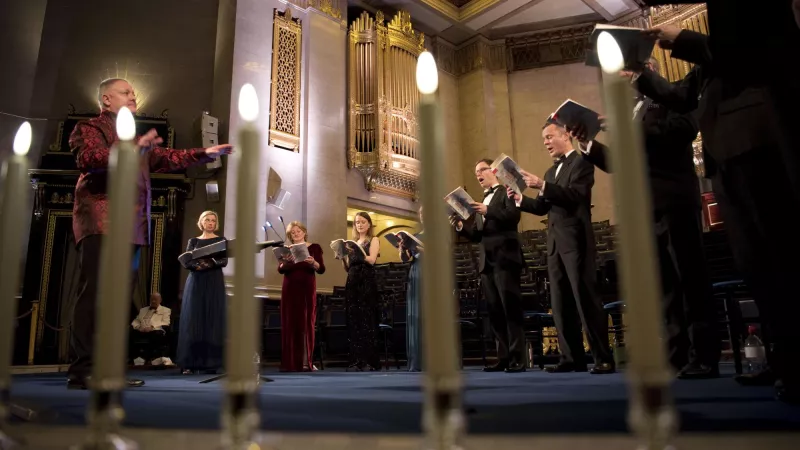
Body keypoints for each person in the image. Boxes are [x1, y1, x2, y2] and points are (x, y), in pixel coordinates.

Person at [635, 22, 800, 403]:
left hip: (755, 149)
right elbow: (680, 95)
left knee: (780, 260)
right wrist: (639, 74)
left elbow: (744, 59)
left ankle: (794, 361)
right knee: (755, 265)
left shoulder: (737, 45)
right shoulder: (702, 70)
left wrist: (680, 38)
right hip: (723, 161)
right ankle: (782, 358)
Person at [67, 78, 232, 390]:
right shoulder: (89, 127)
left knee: (120, 302)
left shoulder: (139, 140)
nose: (134, 96)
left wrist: (203, 153)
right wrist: (131, 148)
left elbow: (168, 158)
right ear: (106, 99)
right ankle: (84, 370)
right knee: (95, 295)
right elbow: (88, 159)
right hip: (101, 221)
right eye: (126, 92)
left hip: (133, 227)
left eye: (133, 93)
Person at [568, 57, 720, 379]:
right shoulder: (633, 108)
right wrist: (587, 143)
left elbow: (682, 129)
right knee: (663, 284)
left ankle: (704, 354)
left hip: (674, 197)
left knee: (689, 278)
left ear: (648, 68)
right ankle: (676, 354)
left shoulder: (674, 95)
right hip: (643, 206)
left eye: (630, 70)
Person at [507, 122, 613, 374]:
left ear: (566, 136)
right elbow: (543, 207)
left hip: (576, 239)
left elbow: (576, 196)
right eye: (543, 138)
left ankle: (603, 358)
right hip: (555, 243)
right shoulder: (550, 172)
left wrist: (542, 185)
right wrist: (521, 199)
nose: (545, 142)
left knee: (585, 299)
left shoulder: (582, 162)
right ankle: (571, 358)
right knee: (561, 302)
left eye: (549, 136)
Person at [450, 159, 525, 373]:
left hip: (506, 258)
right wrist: (460, 226)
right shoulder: (482, 201)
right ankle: (503, 357)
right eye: (475, 173)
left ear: (493, 170)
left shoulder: (507, 190)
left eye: (481, 170)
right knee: (495, 312)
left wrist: (487, 210)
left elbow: (513, 217)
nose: (478, 175)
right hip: (487, 262)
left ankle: (518, 359)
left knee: (511, 310)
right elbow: (476, 236)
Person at [177, 211, 228, 375]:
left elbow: (223, 260)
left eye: (214, 220)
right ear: (201, 222)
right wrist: (198, 266)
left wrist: (204, 264)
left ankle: (211, 363)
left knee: (212, 318)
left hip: (214, 281)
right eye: (207, 220)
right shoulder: (193, 241)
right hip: (196, 281)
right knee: (193, 319)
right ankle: (189, 363)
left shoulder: (221, 240)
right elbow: (187, 260)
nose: (211, 223)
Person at [277, 221, 325, 372]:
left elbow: (321, 269)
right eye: (293, 233)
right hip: (289, 289)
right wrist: (285, 262)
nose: (296, 234)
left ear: (304, 232)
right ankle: (291, 362)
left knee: (305, 323)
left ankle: (306, 361)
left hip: (306, 289)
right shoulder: (287, 249)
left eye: (298, 231)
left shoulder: (314, 247)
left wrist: (313, 262)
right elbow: (280, 270)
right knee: (290, 324)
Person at [342, 212, 381, 371]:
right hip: (352, 281)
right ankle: (356, 360)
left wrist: (358, 253)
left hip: (366, 281)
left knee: (367, 319)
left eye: (363, 222)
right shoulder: (352, 243)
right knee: (354, 320)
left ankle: (369, 360)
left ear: (369, 224)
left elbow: (372, 260)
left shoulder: (374, 239)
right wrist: (343, 256)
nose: (359, 224)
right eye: (357, 222)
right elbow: (347, 267)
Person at [399, 206, 424, 372]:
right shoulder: (416, 236)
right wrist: (403, 248)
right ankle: (417, 361)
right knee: (416, 316)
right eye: (421, 212)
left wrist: (417, 247)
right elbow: (405, 259)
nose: (423, 215)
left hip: (431, 272)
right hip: (415, 272)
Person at [129, 292, 173, 366]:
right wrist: (139, 327)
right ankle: (133, 358)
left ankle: (146, 357)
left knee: (155, 335)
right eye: (152, 299)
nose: (153, 301)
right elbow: (136, 321)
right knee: (130, 333)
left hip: (155, 330)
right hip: (142, 330)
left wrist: (152, 327)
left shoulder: (166, 310)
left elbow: (166, 322)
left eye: (155, 300)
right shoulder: (143, 310)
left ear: (160, 300)